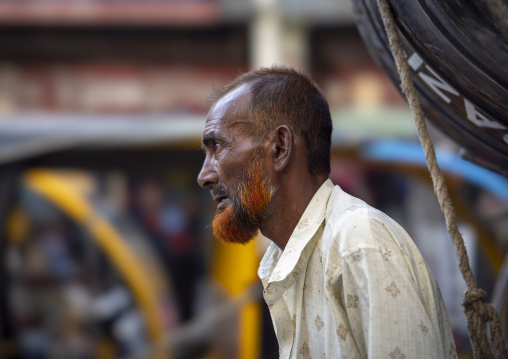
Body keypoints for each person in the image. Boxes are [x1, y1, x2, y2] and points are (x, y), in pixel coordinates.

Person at [197, 66, 457, 358]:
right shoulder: (285, 257)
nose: (204, 176)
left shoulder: (357, 242)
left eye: (217, 147)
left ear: (280, 148)